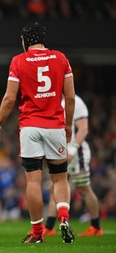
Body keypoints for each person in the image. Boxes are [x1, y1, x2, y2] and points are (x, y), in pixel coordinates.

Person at [0, 22, 76, 243]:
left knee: (33, 182)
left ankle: (38, 234)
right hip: (55, 125)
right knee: (59, 179)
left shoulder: (18, 61)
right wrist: (67, 125)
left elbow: (10, 98)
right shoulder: (61, 58)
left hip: (30, 127)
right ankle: (64, 217)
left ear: (25, 41)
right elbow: (70, 97)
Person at [43, 95, 103, 237]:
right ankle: (49, 227)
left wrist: (74, 149)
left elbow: (83, 129)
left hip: (76, 153)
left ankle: (96, 227)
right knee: (55, 187)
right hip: (61, 151)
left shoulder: (75, 101)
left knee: (83, 189)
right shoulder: (55, 100)